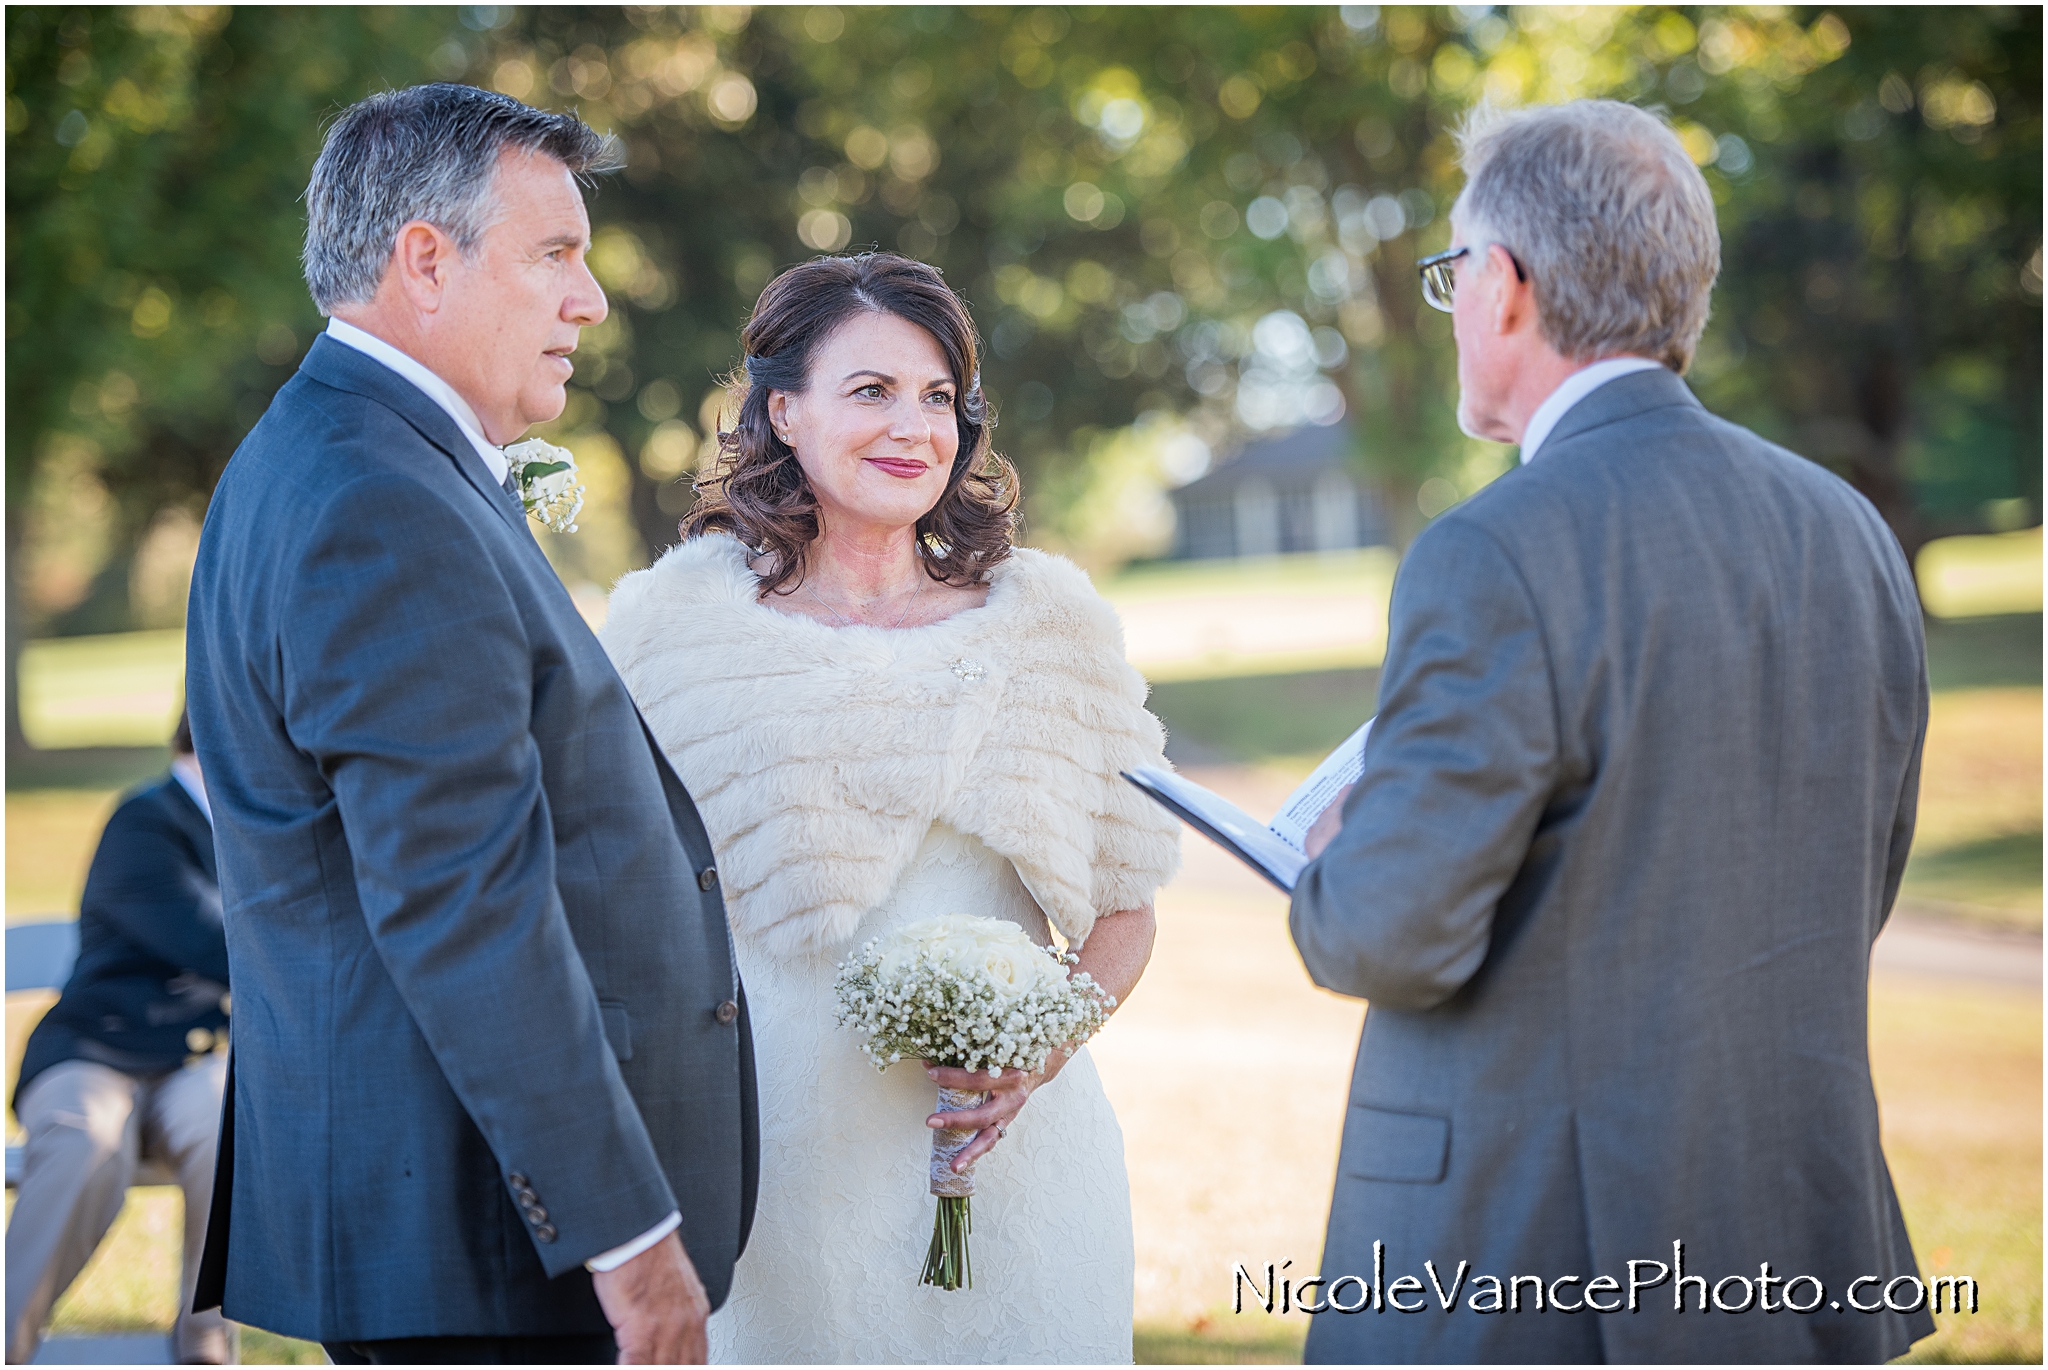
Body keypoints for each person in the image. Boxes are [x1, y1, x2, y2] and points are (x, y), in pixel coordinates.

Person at [1291, 100, 1933, 1362]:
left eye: (1451, 273)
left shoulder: (1493, 548)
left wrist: (1333, 854)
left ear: (1506, 285)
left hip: (1532, 1252)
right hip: (1786, 1223)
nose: (1454, 303)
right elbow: (1861, 865)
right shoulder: (1845, 528)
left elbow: (1384, 935)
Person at [183, 84, 755, 1365]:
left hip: (462, 1234)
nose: (589, 300)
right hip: (486, 1253)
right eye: (555, 254)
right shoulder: (376, 500)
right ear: (424, 261)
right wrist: (628, 1239)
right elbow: (461, 901)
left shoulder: (338, 453)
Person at [600, 251, 1182, 1363]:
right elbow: (608, 913)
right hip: (765, 1175)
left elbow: (1124, 910)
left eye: (936, 397)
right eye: (868, 390)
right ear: (781, 409)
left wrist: (1032, 1057)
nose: (911, 426)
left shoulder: (1044, 627)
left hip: (1008, 1173)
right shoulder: (673, 634)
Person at [7, 712, 232, 1365]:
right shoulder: (144, 821)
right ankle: (7, 1343)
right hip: (94, 1051)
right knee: (87, 1137)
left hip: (192, 1062)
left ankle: (204, 1341)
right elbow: (219, 939)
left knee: (228, 1125)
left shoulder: (247, 828)